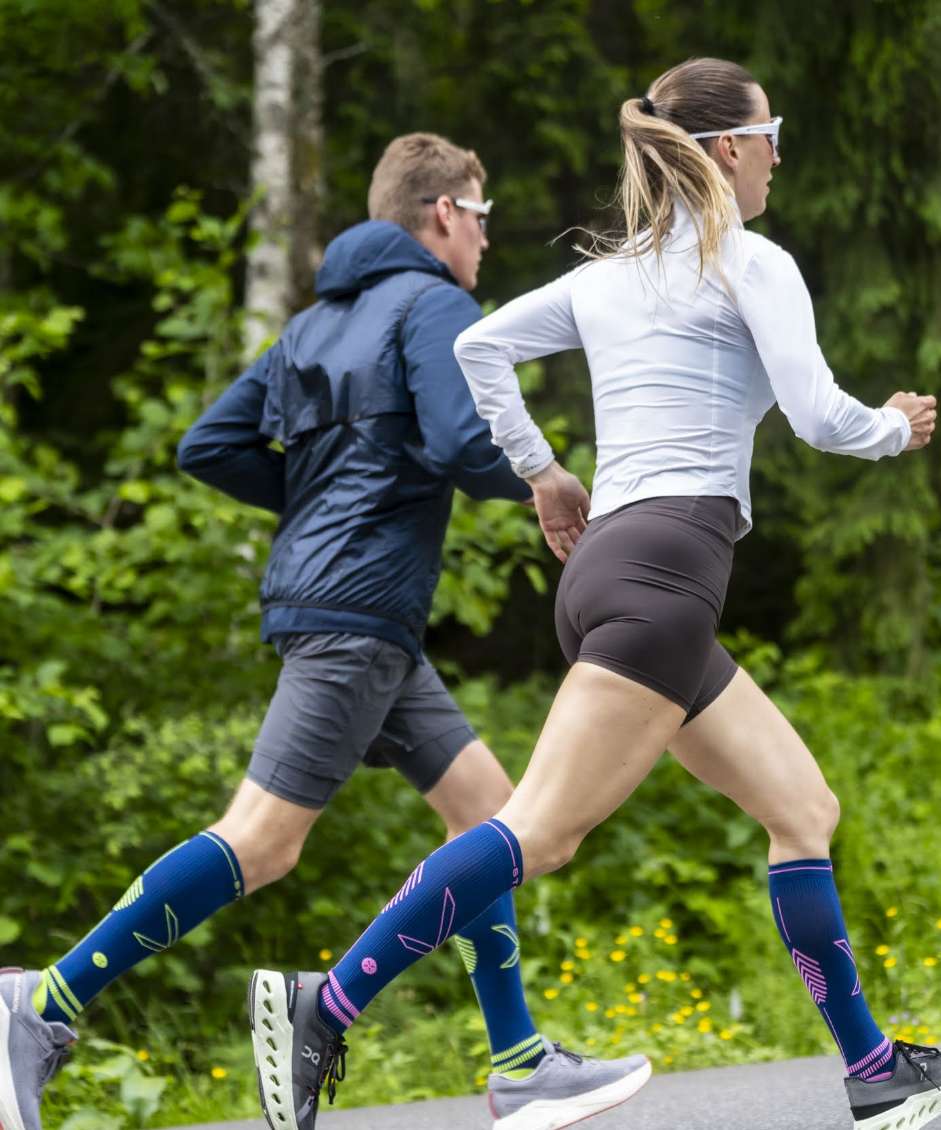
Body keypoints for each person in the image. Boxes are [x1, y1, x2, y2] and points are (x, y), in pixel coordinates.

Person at [241, 58, 941, 1130]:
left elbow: (480, 345)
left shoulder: (610, 277)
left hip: (615, 570)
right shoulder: (752, 263)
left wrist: (545, 474)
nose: (778, 156)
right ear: (728, 148)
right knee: (538, 833)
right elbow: (822, 417)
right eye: (771, 135)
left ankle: (873, 1067)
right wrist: (895, 428)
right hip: (666, 578)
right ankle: (326, 1003)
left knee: (802, 810)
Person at [0, 135, 653, 1130]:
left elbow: (210, 443)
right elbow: (459, 437)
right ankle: (43, 1002)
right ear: (443, 213)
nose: (485, 239)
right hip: (356, 618)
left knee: (489, 815)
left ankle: (520, 1060)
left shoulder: (312, 325)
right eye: (481, 216)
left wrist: (318, 505)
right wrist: (545, 476)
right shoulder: (435, 305)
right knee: (262, 841)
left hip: (358, 616)